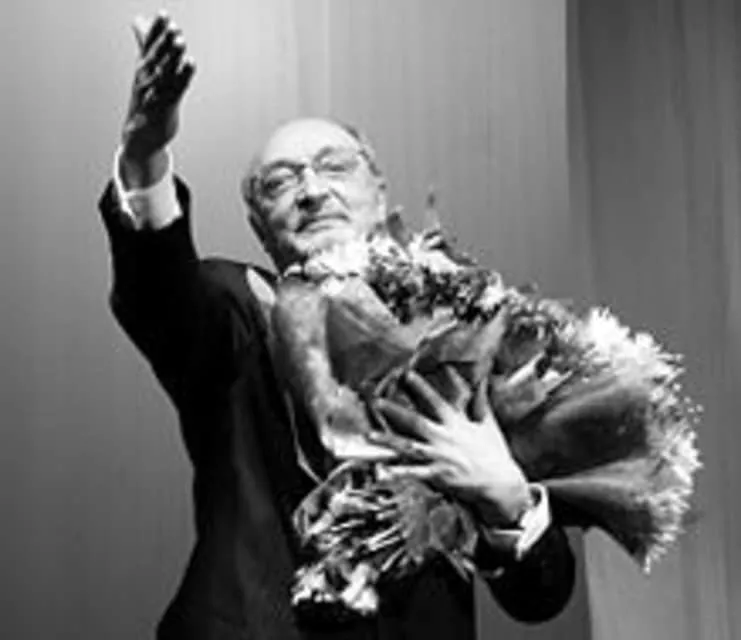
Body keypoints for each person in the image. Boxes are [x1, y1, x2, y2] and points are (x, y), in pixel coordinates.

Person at [100, 12, 576, 640]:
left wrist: (507, 497)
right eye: (280, 182)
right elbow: (158, 287)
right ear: (260, 226)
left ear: (379, 191)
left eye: (334, 166)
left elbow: (540, 597)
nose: (311, 191)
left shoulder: (467, 335)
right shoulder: (235, 309)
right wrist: (144, 156)